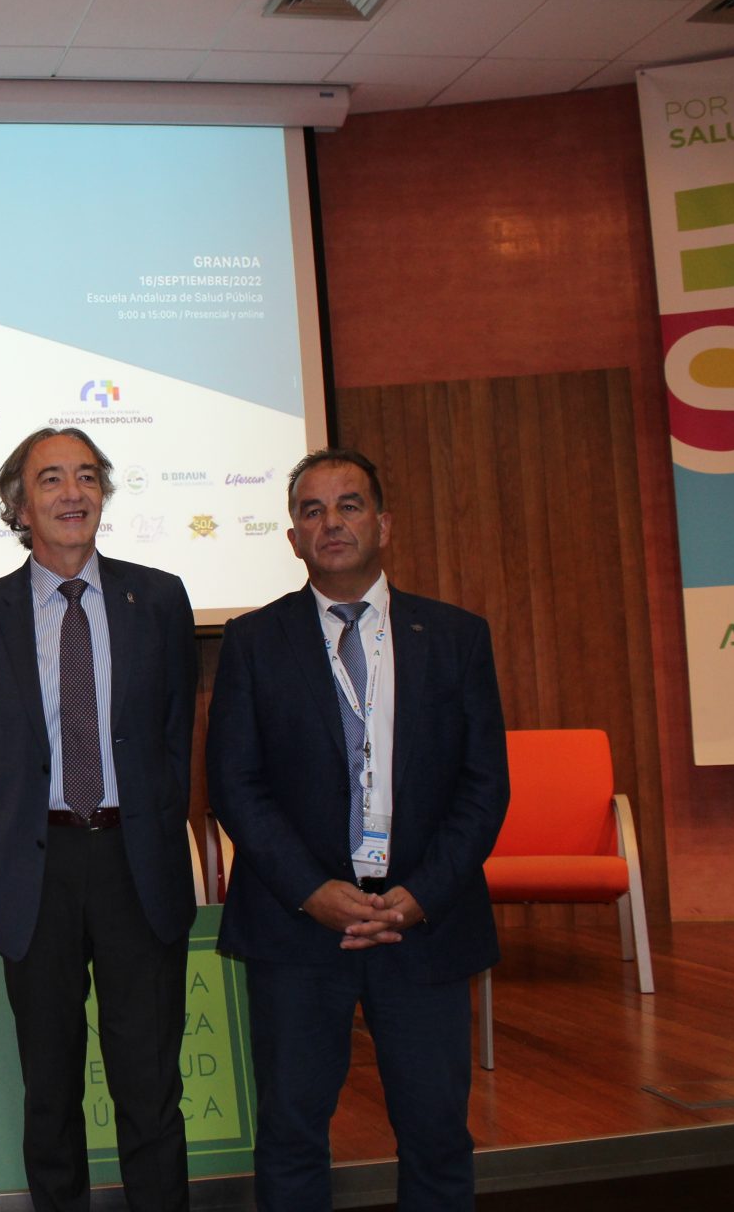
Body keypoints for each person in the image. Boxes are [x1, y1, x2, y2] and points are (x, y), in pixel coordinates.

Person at [206, 447, 509, 1211]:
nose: (331, 523)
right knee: (291, 1135)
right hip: (297, 927)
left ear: (384, 524)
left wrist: (421, 894)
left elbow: (483, 786)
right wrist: (312, 891)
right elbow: (234, 785)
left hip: (423, 923)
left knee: (437, 1135)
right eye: (312, 511)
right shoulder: (253, 642)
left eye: (349, 505)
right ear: (293, 538)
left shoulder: (456, 637)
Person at [0, 426, 197, 1212]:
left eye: (87, 476)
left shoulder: (159, 599)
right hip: (38, 866)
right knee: (50, 1090)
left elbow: (175, 734)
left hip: (137, 862)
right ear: (20, 507)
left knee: (149, 1084)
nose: (73, 493)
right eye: (50, 479)